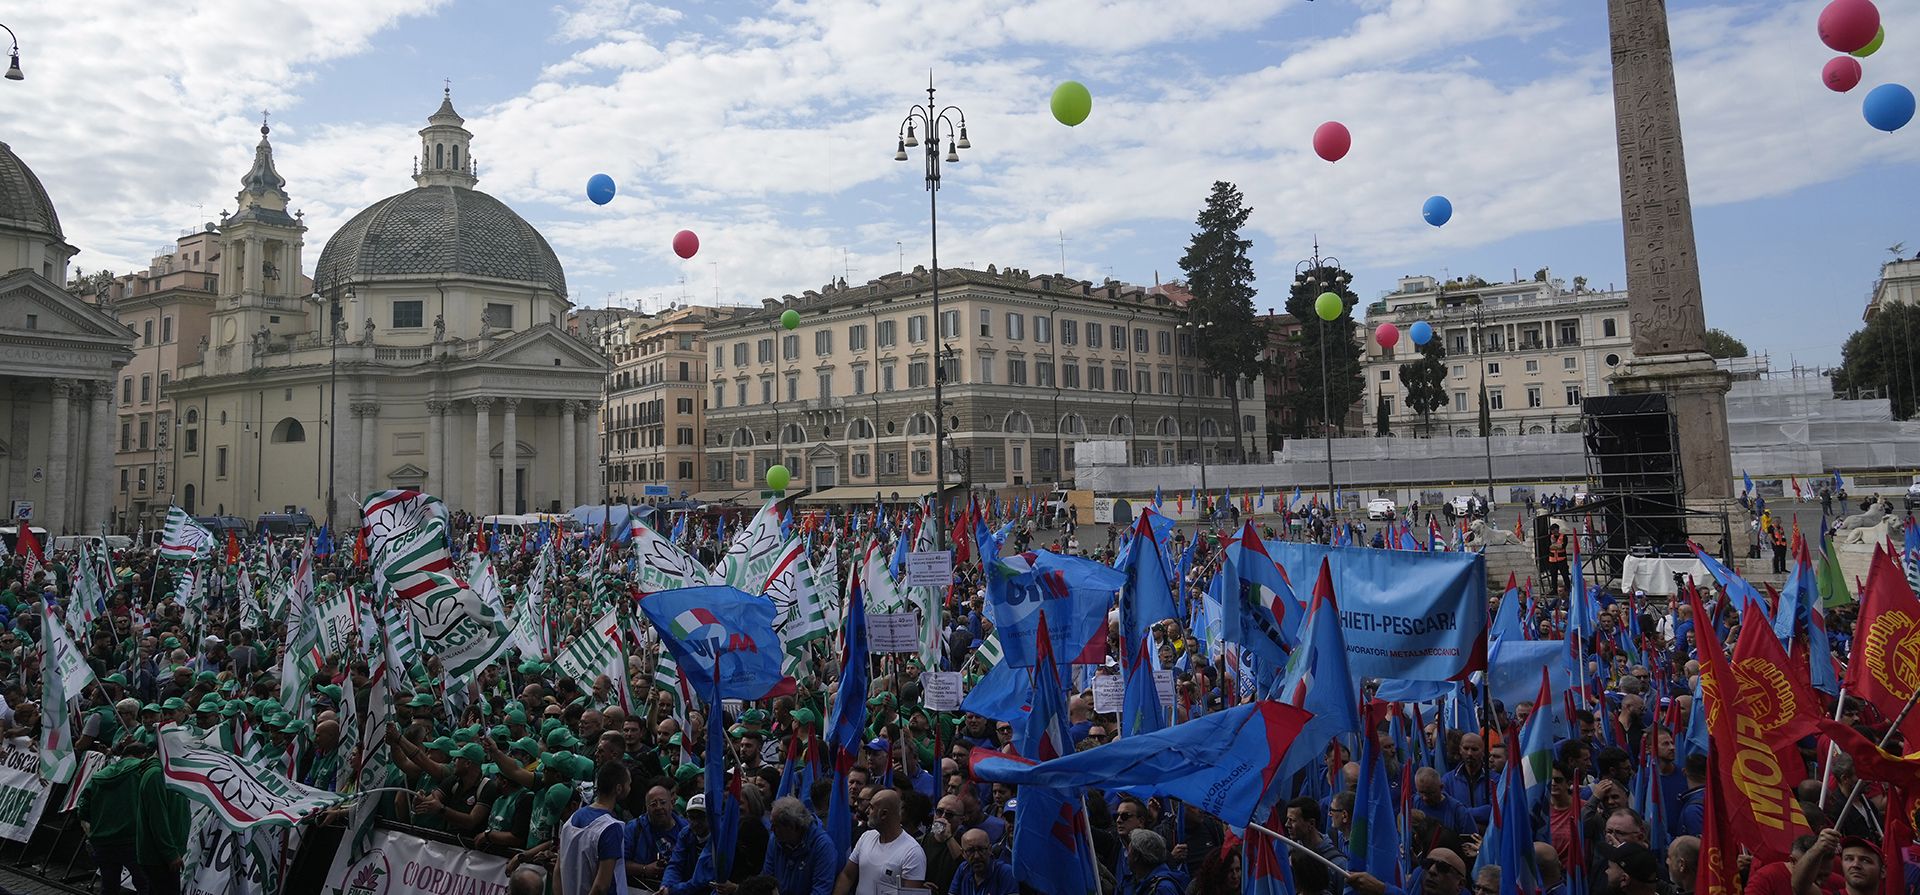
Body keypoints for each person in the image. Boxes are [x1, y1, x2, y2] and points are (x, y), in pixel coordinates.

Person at [78, 741, 152, 895]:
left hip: (102, 841)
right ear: (144, 755)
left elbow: (83, 809)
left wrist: (92, 831)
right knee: (145, 885)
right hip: (132, 840)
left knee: (109, 887)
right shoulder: (143, 770)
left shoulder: (99, 776)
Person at [834, 789, 925, 895]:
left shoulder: (912, 853)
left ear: (884, 814)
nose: (867, 811)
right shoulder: (866, 837)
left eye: (872, 807)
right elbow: (847, 876)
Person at [558, 761, 630, 895]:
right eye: (629, 784)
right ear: (619, 788)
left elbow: (557, 871)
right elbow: (601, 886)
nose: (630, 788)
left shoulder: (571, 819)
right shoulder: (611, 827)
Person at [765, 796, 838, 895]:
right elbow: (767, 878)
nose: (771, 829)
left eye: (776, 826)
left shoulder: (823, 846)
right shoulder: (775, 839)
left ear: (792, 827)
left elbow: (821, 890)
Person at [948, 828, 1016, 895]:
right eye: (970, 851)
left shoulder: (1005, 872)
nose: (976, 856)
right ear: (963, 853)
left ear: (990, 849)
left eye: (981, 849)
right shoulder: (963, 869)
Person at [1121, 829, 1183, 895]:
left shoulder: (1162, 888)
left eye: (1129, 851)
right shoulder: (1145, 883)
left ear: (1136, 856)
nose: (1127, 856)